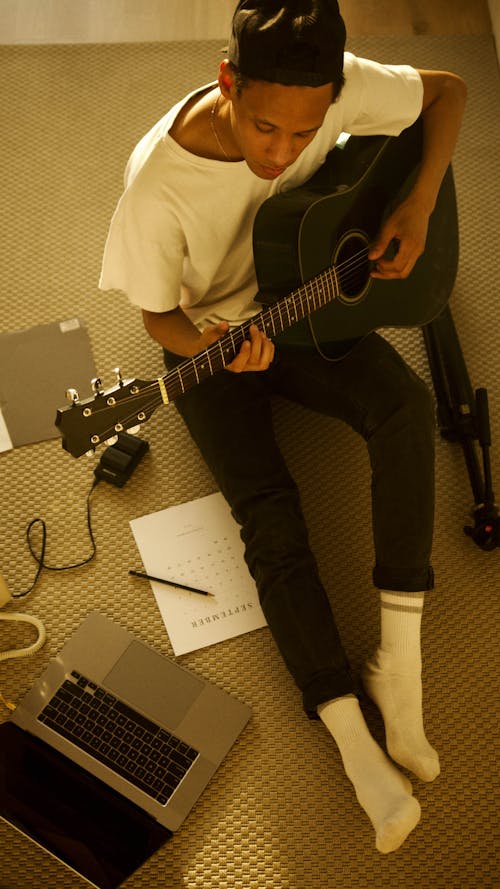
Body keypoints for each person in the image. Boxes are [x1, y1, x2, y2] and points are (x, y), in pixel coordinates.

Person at [99, 0, 466, 854]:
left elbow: (447, 94)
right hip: (214, 341)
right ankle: (349, 735)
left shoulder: (332, 95)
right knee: (268, 509)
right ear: (228, 82)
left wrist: (416, 200)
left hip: (301, 289)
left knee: (407, 407)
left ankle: (398, 670)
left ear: (332, 97)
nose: (281, 152)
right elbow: (158, 318)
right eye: (265, 127)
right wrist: (209, 346)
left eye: (303, 135)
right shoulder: (157, 181)